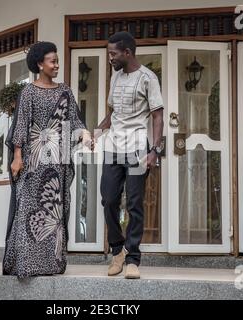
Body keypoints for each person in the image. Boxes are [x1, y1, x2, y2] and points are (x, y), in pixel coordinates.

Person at [3, 41, 91, 277]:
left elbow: (75, 120)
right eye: (52, 61)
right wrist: (17, 157)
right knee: (30, 209)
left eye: (57, 60)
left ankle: (52, 263)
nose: (57, 65)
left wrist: (84, 133)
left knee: (54, 210)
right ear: (40, 64)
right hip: (35, 160)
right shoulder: (29, 91)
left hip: (59, 160)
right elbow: (21, 126)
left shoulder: (65, 91)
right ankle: (28, 262)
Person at [95, 31, 164, 279]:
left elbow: (157, 116)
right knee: (109, 200)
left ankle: (133, 258)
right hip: (113, 147)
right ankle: (117, 251)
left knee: (134, 203)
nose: (110, 57)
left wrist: (155, 150)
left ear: (127, 52)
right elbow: (112, 114)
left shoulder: (148, 78)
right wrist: (96, 132)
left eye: (113, 53)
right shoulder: (115, 77)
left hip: (137, 147)